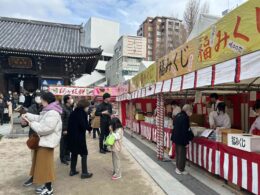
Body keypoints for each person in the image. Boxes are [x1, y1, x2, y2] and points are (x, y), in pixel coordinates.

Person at [22, 92, 62, 195]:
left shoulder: (53, 112)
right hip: (44, 142)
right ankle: (46, 186)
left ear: (46, 100)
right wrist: (27, 115)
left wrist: (30, 123)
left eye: (42, 99)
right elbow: (39, 118)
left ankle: (49, 189)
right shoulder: (49, 111)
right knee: (43, 165)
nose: (41, 101)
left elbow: (45, 129)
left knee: (46, 167)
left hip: (47, 143)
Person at [67, 99, 93, 179]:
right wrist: (90, 128)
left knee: (74, 153)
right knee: (84, 153)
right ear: (84, 106)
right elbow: (83, 124)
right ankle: (84, 173)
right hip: (79, 137)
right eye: (88, 107)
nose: (88, 108)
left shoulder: (73, 112)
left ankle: (72, 170)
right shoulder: (82, 113)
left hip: (72, 136)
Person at [23, 92, 43, 187]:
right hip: (33, 136)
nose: (39, 99)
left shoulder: (48, 108)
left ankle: (43, 178)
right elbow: (27, 122)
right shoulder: (31, 107)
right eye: (37, 96)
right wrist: (24, 122)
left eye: (40, 97)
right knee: (33, 158)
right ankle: (33, 177)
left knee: (43, 159)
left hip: (44, 137)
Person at [171, 104, 194, 175]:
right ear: (187, 110)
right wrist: (186, 142)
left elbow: (174, 125)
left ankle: (178, 167)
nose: (191, 113)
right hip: (181, 139)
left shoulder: (178, 115)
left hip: (176, 137)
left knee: (178, 153)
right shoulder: (185, 117)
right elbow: (185, 130)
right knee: (182, 154)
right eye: (190, 111)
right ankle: (180, 169)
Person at [60, 95, 73, 165]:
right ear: (67, 100)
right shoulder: (62, 108)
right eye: (71, 98)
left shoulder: (70, 108)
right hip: (64, 129)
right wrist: (64, 129)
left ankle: (68, 156)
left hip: (70, 129)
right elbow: (61, 120)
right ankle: (63, 158)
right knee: (63, 144)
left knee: (68, 143)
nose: (72, 100)